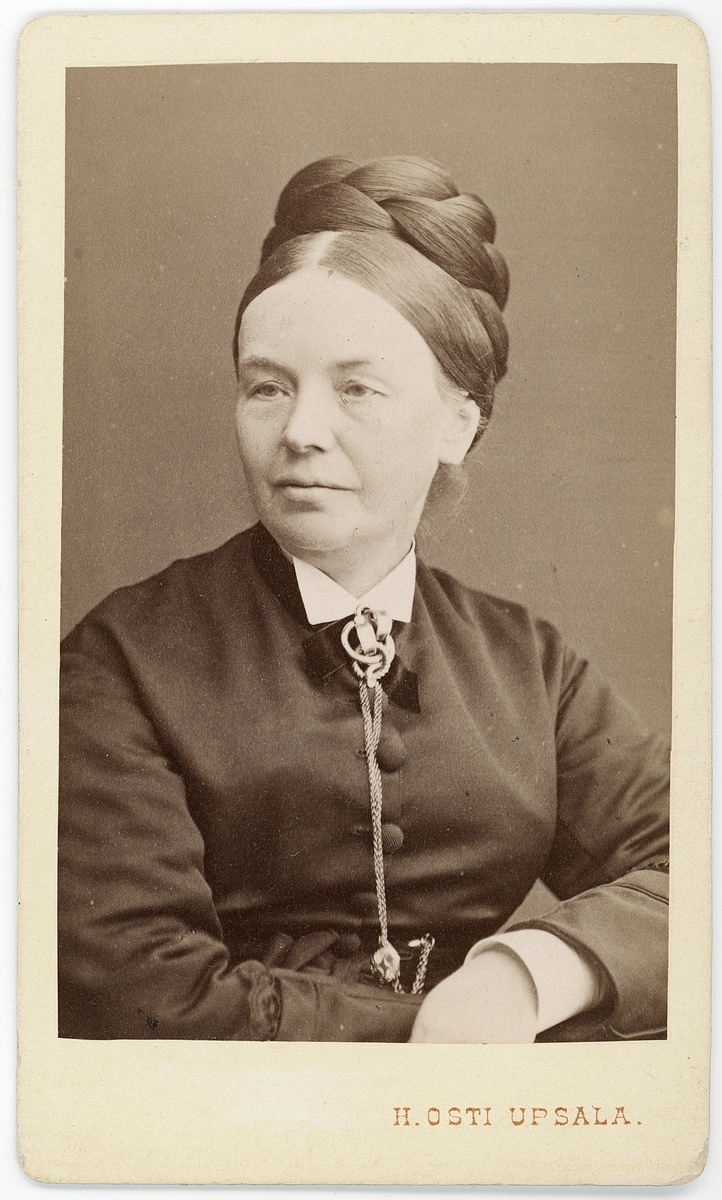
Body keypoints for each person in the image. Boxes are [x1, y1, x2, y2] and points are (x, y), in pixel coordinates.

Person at [58, 156, 669, 1044]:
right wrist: (443, 1030)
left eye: (357, 388)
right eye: (267, 387)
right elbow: (141, 987)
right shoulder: (123, 658)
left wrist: (526, 977)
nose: (301, 431)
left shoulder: (528, 667)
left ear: (457, 422)